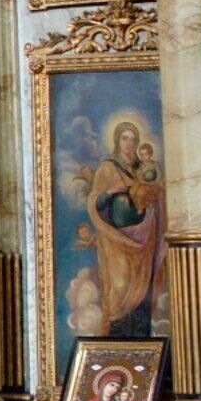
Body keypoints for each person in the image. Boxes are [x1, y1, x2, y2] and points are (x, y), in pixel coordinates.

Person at [72, 112, 164, 340]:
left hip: (144, 241)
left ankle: (141, 341)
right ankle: (116, 339)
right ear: (116, 140)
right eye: (125, 138)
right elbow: (94, 201)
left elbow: (154, 191)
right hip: (116, 242)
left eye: (133, 139)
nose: (129, 143)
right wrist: (109, 193)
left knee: (142, 289)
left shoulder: (141, 168)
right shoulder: (107, 168)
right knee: (120, 287)